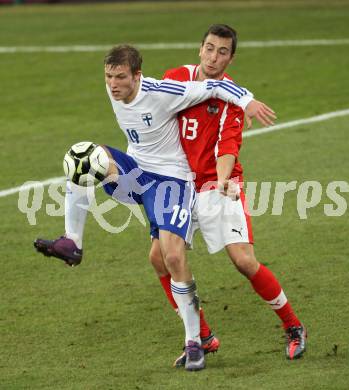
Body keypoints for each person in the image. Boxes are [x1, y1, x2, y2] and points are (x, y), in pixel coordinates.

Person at [34, 44, 273, 371]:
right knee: (84, 156)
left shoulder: (162, 91)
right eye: (108, 77)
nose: (113, 84)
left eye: (120, 77)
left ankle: (195, 342)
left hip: (172, 182)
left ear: (137, 76)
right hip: (137, 174)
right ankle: (72, 241)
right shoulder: (113, 91)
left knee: (171, 256)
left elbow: (215, 84)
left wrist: (247, 101)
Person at [148, 24, 307, 366]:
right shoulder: (176, 77)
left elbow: (227, 145)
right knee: (159, 257)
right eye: (209, 48)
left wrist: (221, 179)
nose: (213, 57)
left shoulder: (232, 96)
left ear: (231, 57)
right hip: (179, 184)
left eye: (222, 52)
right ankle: (203, 336)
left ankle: (294, 327)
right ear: (199, 49)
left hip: (217, 184)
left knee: (244, 261)